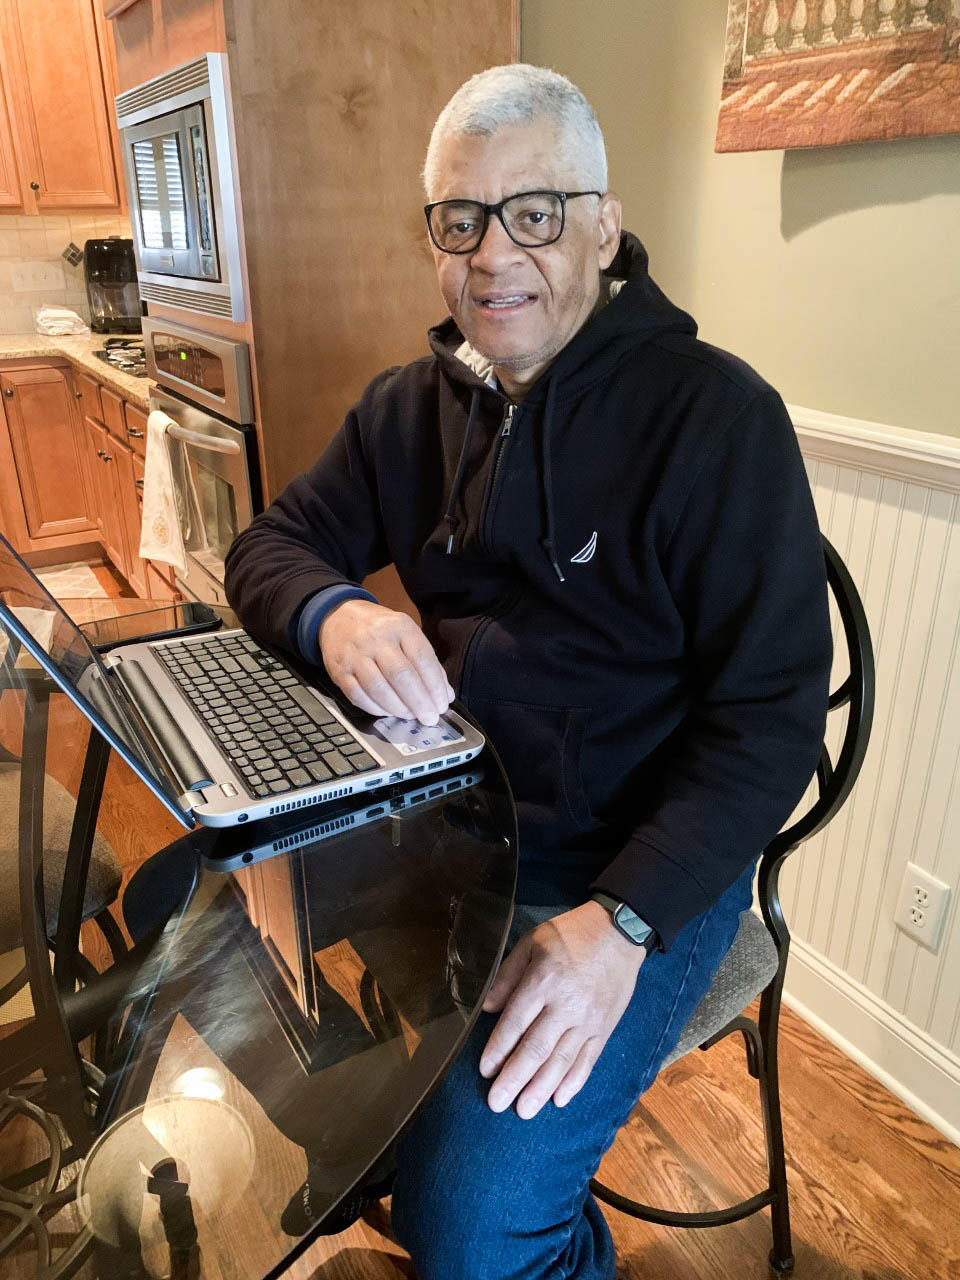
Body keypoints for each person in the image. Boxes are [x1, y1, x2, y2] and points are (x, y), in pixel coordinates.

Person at [225, 62, 831, 1280]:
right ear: (434, 241)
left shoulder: (719, 421)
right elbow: (269, 547)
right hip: (449, 826)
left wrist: (622, 922)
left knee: (468, 1230)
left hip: (635, 866)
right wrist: (336, 613)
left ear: (604, 227)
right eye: (460, 219)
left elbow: (772, 721)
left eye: (535, 212)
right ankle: (411, 1139)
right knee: (207, 959)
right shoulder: (409, 409)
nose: (494, 254)